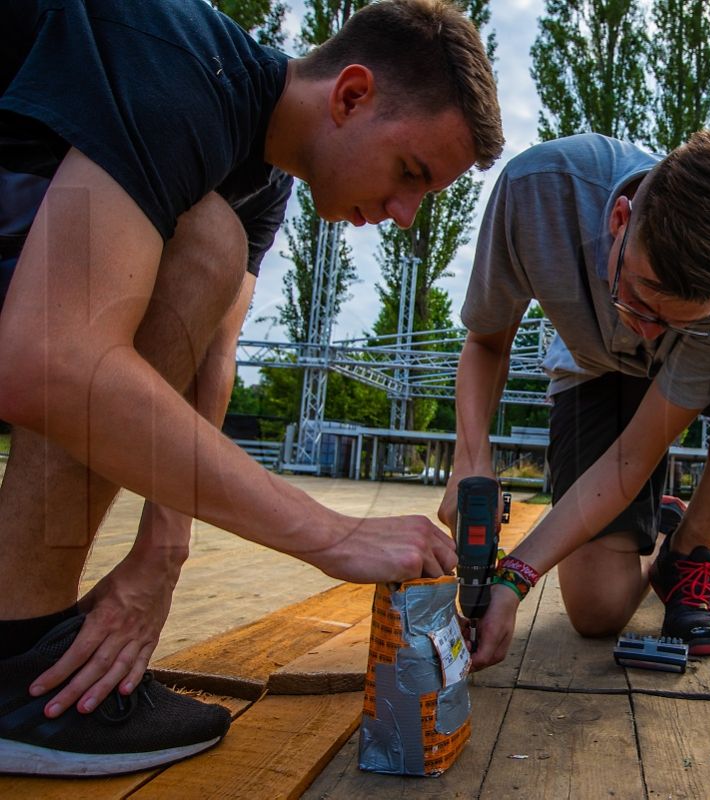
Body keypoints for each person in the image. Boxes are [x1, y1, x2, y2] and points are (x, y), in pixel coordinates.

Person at [0, 0, 502, 777]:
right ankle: (17, 656)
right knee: (201, 240)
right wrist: (330, 533)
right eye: (410, 174)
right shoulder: (178, 65)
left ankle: (19, 643)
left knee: (205, 245)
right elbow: (50, 363)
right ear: (350, 95)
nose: (406, 216)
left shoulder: (261, 179)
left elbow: (207, 350)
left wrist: (162, 551)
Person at [438, 132, 710, 670]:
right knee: (598, 611)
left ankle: (686, 550)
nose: (647, 333)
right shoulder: (537, 191)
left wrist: (513, 577)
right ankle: (656, 520)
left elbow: (633, 455)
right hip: (593, 369)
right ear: (619, 219)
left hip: (685, 384)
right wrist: (470, 460)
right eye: (636, 298)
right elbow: (486, 342)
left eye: (681, 321)